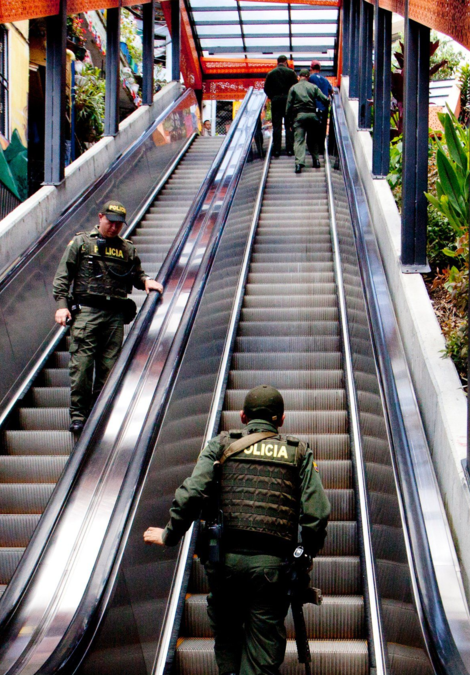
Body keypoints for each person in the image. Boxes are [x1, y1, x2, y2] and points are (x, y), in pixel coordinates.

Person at [143, 385, 330, 675]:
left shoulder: (220, 445)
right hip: (272, 568)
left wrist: (171, 533)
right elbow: (317, 514)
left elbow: (192, 493)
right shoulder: (298, 452)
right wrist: (304, 555)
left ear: (243, 417)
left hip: (223, 563)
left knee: (227, 635)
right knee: (262, 653)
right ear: (281, 419)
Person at [53, 200, 164, 435]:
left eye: (118, 224)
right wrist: (62, 306)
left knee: (109, 368)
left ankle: (100, 412)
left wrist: (146, 281)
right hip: (87, 313)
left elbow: (136, 274)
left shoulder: (126, 249)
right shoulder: (82, 243)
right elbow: (63, 276)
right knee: (82, 366)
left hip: (114, 316)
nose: (114, 228)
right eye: (110, 222)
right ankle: (79, 414)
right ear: (101, 217)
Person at [286, 69, 330, 173]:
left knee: (299, 140)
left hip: (299, 116)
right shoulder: (313, 87)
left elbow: (288, 106)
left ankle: (299, 164)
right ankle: (316, 161)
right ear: (308, 77)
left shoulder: (293, 88)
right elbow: (324, 99)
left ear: (299, 77)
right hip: (312, 116)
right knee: (313, 139)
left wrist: (289, 120)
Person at [262, 55, 299, 158]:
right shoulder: (291, 73)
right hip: (288, 101)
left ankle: (277, 150)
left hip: (276, 101)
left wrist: (272, 96)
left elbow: (266, 88)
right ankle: (289, 149)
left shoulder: (271, 73)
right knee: (289, 125)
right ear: (286, 62)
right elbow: (296, 88)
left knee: (277, 126)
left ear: (277, 62)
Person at [307, 61, 333, 158]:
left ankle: (312, 149)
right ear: (320, 69)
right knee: (322, 128)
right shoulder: (325, 80)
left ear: (311, 68)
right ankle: (321, 148)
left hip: (313, 107)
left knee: (311, 129)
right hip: (324, 107)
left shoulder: (310, 79)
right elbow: (331, 90)